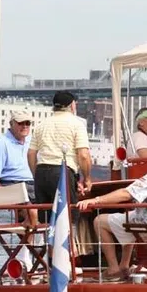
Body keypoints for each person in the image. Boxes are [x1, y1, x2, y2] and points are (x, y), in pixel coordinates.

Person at [76, 139, 147, 280]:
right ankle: (124, 266)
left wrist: (96, 200)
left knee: (99, 221)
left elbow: (126, 194)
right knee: (130, 217)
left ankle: (113, 269)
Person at [27, 91, 91, 221]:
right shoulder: (77, 124)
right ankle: (69, 240)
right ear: (72, 105)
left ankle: (46, 241)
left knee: (45, 218)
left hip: (42, 172)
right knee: (68, 216)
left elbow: (31, 154)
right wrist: (87, 178)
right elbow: (83, 155)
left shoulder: (41, 125)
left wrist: (36, 174)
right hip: (62, 172)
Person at [0, 110, 38, 226]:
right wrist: (2, 197)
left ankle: (30, 240)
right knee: (32, 213)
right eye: (21, 123)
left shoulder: (32, 141)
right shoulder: (2, 142)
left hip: (33, 185)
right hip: (13, 185)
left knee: (59, 201)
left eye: (27, 123)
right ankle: (29, 241)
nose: (25, 126)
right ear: (11, 124)